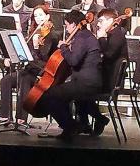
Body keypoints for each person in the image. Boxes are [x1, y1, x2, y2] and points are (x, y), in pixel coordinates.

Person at [39, 10, 102, 140]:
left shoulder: (81, 38)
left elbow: (74, 61)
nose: (67, 28)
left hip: (85, 83)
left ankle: (70, 126)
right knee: (59, 94)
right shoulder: (86, 35)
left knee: (49, 95)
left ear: (74, 24)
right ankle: (73, 126)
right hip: (88, 80)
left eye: (67, 25)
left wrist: (63, 48)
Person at [0, 3, 58, 125]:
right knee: (6, 80)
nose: (38, 18)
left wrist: (35, 47)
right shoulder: (33, 33)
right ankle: (5, 116)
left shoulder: (52, 35)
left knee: (24, 79)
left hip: (42, 71)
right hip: (30, 68)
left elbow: (45, 57)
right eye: (35, 16)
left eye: (41, 15)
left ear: (47, 16)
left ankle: (21, 118)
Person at [88, 8, 129, 136]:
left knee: (78, 91)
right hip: (105, 77)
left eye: (100, 21)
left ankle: (96, 120)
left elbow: (108, 55)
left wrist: (100, 39)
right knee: (77, 89)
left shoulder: (117, 35)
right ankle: (84, 123)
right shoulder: (111, 34)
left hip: (109, 81)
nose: (98, 24)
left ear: (111, 21)